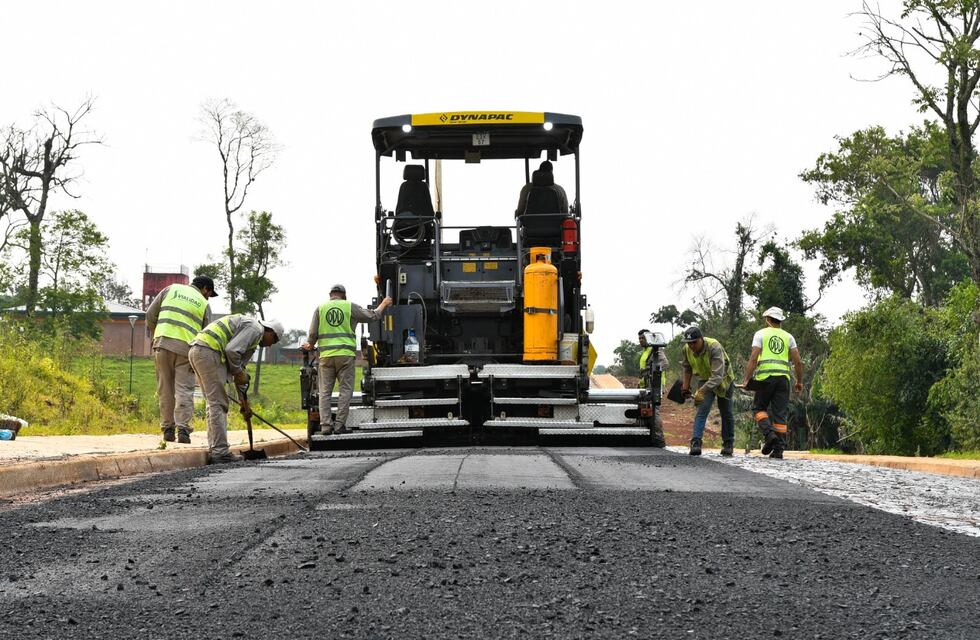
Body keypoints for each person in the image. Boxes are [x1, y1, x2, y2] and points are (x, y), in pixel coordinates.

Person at [188, 314, 283, 463]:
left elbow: (240, 371)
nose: (271, 344)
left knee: (213, 403)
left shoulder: (251, 340)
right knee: (218, 403)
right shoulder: (255, 329)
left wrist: (243, 401)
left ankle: (215, 449)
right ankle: (220, 453)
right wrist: (239, 373)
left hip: (198, 350)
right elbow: (232, 352)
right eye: (275, 340)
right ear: (269, 330)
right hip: (208, 350)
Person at [302, 284, 392, 435]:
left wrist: (310, 344)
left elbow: (312, 334)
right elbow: (373, 316)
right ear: (344, 295)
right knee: (345, 391)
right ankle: (339, 426)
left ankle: (325, 426)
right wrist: (384, 303)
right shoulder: (349, 306)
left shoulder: (320, 308)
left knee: (324, 392)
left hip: (325, 357)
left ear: (330, 294)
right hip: (345, 356)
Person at [145, 275, 217, 443]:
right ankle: (183, 430)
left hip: (162, 344)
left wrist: (157, 336)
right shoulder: (204, 304)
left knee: (165, 388)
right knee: (184, 389)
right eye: (209, 294)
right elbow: (206, 336)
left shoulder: (171, 289)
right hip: (187, 350)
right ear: (205, 288)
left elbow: (150, 314)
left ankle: (168, 430)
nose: (208, 298)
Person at [739, 307, 804, 460]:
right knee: (780, 415)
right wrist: (799, 381)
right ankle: (778, 450)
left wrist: (747, 379)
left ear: (767, 319)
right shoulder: (789, 337)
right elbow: (798, 362)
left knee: (758, 409)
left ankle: (769, 434)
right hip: (783, 380)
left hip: (765, 378)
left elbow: (754, 358)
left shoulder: (760, 334)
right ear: (780, 320)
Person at [680, 326, 736, 456]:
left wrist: (701, 391)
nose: (691, 345)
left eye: (694, 342)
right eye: (689, 343)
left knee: (726, 412)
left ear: (701, 339)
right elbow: (687, 368)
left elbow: (717, 377)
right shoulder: (686, 350)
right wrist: (685, 386)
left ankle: (728, 444)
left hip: (724, 379)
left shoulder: (714, 347)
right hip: (705, 379)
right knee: (702, 411)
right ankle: (696, 443)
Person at [638, 329, 668, 448]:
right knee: (648, 411)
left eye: (643, 338)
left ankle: (659, 440)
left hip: (655, 385)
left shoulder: (655, 350)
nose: (641, 340)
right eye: (639, 338)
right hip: (646, 385)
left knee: (655, 412)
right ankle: (651, 438)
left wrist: (650, 371)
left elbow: (665, 364)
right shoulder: (645, 351)